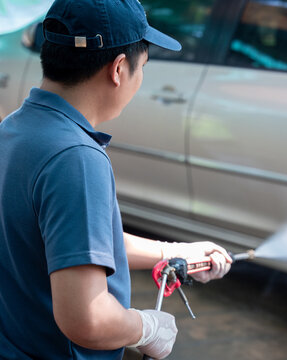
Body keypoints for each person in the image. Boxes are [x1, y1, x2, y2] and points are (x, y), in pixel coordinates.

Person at [0, 0, 232, 359]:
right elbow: (87, 319)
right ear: (119, 69)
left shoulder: (16, 130)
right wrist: (146, 327)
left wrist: (173, 251)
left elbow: (74, 240)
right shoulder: (76, 158)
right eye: (143, 67)